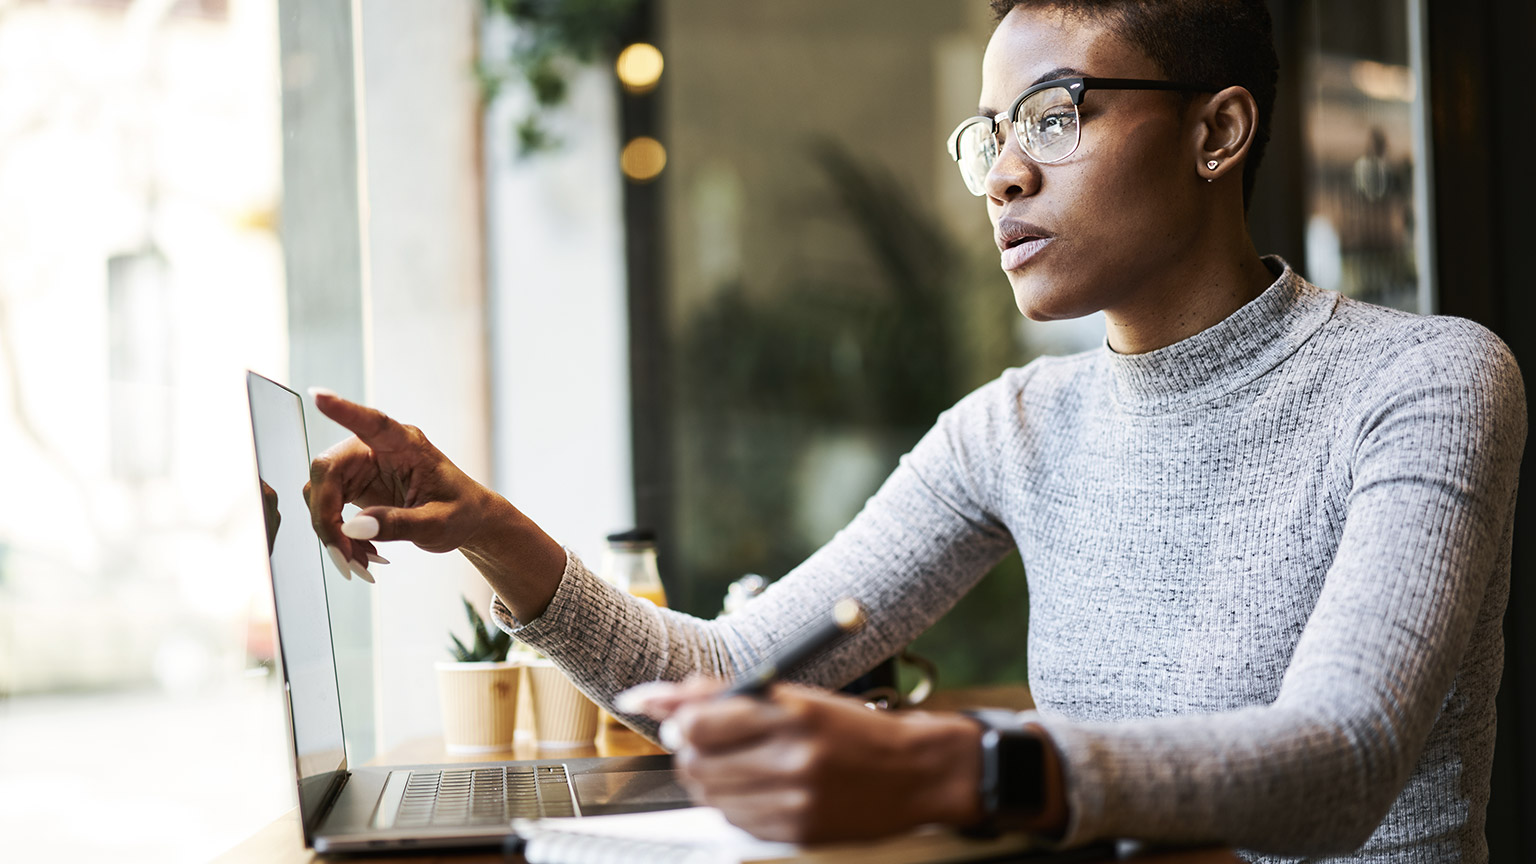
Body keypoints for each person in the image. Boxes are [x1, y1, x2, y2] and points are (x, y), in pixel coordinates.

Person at [303, 1, 1526, 861]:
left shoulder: (1426, 380)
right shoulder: (1015, 429)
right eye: (990, 137)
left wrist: (960, 769)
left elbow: (1344, 758)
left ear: (1217, 132)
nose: (1003, 176)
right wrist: (486, 526)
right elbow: (725, 670)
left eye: (1055, 116)